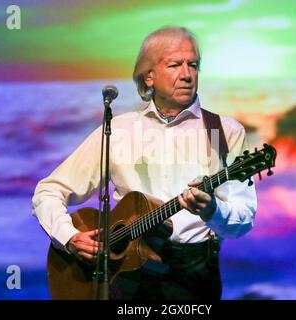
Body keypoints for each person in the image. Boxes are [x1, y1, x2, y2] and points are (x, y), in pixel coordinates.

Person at [32, 26, 257, 300]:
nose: (187, 74)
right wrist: (69, 237)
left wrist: (212, 210)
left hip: (193, 278)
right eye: (175, 64)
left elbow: (243, 220)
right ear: (149, 76)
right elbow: (49, 191)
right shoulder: (119, 130)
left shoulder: (223, 131)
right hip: (124, 277)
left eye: (193, 65)